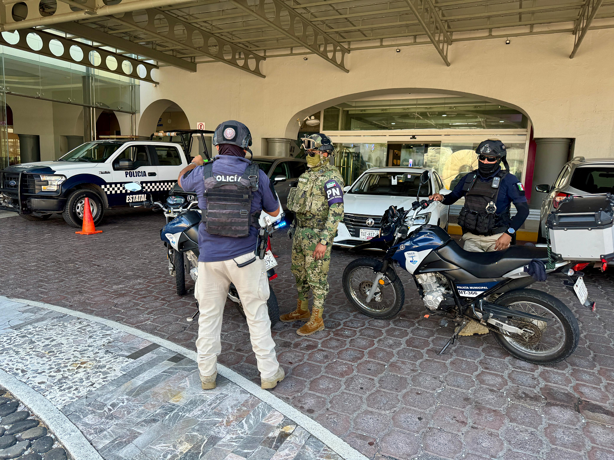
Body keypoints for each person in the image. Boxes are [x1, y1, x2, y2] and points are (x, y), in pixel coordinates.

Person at [178, 120, 285, 391]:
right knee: (257, 315)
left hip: (210, 259)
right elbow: (274, 213)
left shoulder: (203, 172)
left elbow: (181, 180)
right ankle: (269, 374)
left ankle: (207, 376)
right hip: (246, 257)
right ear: (246, 146)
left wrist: (195, 161)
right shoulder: (256, 175)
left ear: (217, 145)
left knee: (209, 318)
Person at [281, 133, 344, 336]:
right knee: (299, 272)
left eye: (313, 152)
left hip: (318, 235)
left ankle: (317, 318)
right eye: (307, 152)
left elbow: (336, 213)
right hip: (300, 232)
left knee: (317, 277)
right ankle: (302, 309)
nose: (309, 155)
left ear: (325, 154)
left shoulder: (332, 178)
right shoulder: (306, 176)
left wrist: (324, 241)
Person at [430, 139, 529, 253]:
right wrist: (442, 198)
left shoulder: (509, 180)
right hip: (471, 239)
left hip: (497, 239)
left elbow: (523, 211)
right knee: (469, 271)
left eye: (490, 158)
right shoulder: (469, 178)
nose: (485, 162)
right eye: (482, 157)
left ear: (498, 159)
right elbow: (452, 197)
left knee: (494, 271)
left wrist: (509, 234)